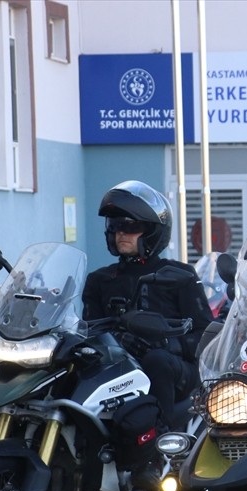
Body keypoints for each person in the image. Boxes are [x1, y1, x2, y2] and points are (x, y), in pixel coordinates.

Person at [83, 180, 214, 425]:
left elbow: (205, 336)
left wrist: (165, 343)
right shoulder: (99, 280)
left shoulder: (179, 274)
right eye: (115, 226)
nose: (121, 233)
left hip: (174, 369)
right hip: (119, 365)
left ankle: (159, 440)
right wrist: (119, 339)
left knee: (157, 360)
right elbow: (90, 331)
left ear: (153, 230)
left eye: (130, 226)